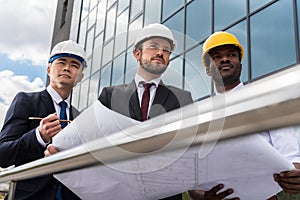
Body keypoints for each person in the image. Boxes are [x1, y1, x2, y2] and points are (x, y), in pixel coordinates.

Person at [199, 31, 300, 199]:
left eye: (231, 55)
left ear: (240, 64)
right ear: (208, 70)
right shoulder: (202, 118)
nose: (224, 59)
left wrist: (295, 177)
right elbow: (194, 180)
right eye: (217, 57)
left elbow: (292, 156)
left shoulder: (267, 103)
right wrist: (202, 197)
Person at [98, 23, 194, 200]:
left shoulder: (183, 99)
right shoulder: (109, 96)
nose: (160, 53)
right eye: (154, 46)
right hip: (119, 192)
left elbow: (190, 149)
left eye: (166, 50)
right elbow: (94, 140)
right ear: (137, 54)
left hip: (165, 194)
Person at [0, 40, 87, 200]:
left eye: (75, 65)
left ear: (80, 77)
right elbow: (3, 154)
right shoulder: (25, 101)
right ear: (49, 69)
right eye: (61, 62)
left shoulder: (80, 118)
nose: (67, 68)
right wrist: (38, 136)